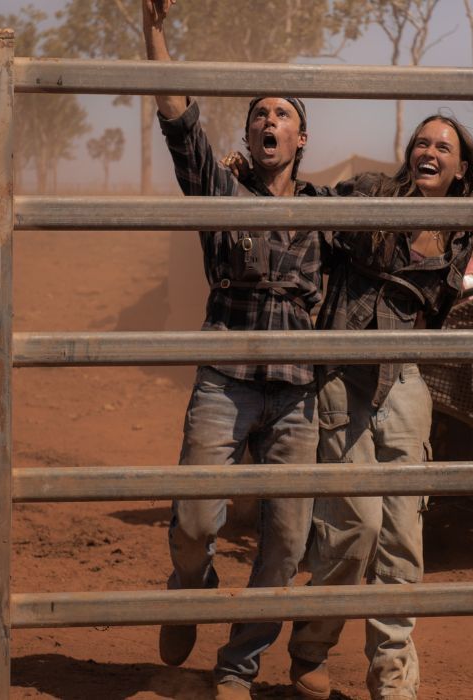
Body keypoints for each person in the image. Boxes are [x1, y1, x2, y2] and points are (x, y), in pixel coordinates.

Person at [141, 1, 331, 698]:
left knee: (285, 541)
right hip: (227, 379)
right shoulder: (220, 191)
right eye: (258, 115)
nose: (267, 122)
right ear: (248, 136)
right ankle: (189, 584)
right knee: (194, 522)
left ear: (302, 139)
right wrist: (156, 30)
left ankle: (239, 667)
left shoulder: (329, 215)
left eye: (281, 115)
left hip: (297, 391)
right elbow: (179, 123)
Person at [288, 115, 473, 700]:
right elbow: (320, 206)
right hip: (344, 375)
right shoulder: (374, 193)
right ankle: (310, 648)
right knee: (355, 526)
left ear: (461, 168)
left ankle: (392, 671)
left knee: (403, 535)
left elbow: (439, 309)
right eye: (421, 143)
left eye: (442, 147)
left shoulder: (463, 232)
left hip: (404, 381)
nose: (428, 152)